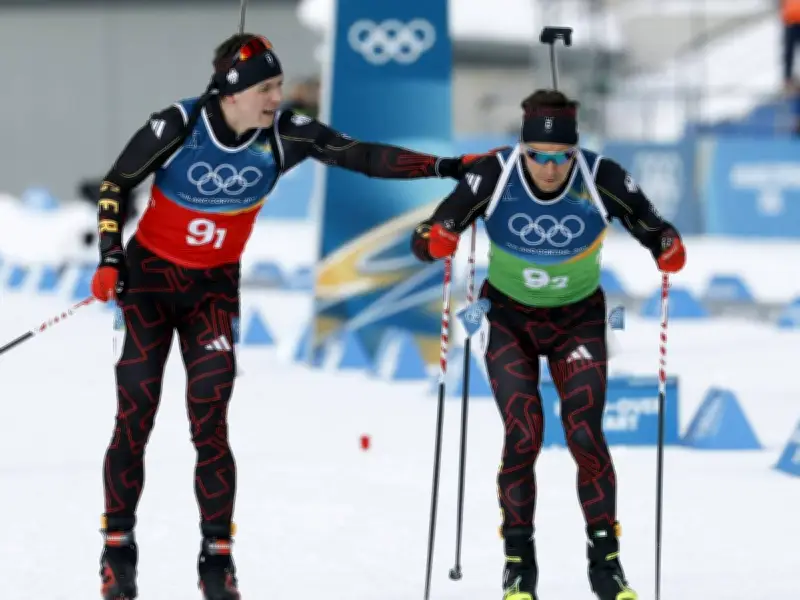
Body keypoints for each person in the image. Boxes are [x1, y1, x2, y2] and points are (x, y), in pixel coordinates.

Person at [92, 33, 474, 600]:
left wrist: (445, 165)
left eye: (277, 84)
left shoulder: (286, 134)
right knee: (137, 411)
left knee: (209, 417)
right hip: (149, 284)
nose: (277, 96)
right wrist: (110, 255)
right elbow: (116, 185)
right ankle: (118, 549)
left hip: (213, 290)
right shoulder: (178, 124)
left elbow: (362, 155)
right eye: (266, 87)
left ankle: (217, 560)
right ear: (232, 92)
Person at [410, 89, 686, 600]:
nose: (551, 168)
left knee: (585, 434)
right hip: (508, 321)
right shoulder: (493, 174)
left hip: (580, 322)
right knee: (524, 433)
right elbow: (427, 235)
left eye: (562, 158)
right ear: (523, 147)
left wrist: (667, 245)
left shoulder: (601, 177)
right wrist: (434, 241)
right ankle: (519, 565)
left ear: (575, 154)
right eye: (539, 155)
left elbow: (651, 224)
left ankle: (606, 564)